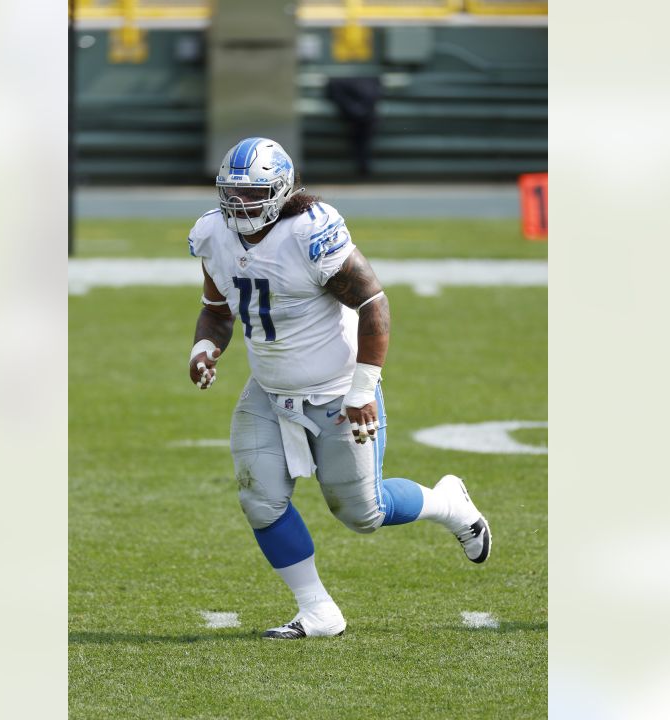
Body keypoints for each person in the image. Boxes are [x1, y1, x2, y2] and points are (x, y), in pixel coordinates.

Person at [186, 137, 491, 640]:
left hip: (335, 388)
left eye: (253, 193)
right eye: (232, 193)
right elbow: (218, 311)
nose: (239, 205)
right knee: (260, 500)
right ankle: (318, 611)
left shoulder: (310, 232)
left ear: (281, 191)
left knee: (363, 514)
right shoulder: (211, 234)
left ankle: (449, 503)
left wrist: (363, 388)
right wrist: (203, 347)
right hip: (267, 389)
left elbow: (374, 303)